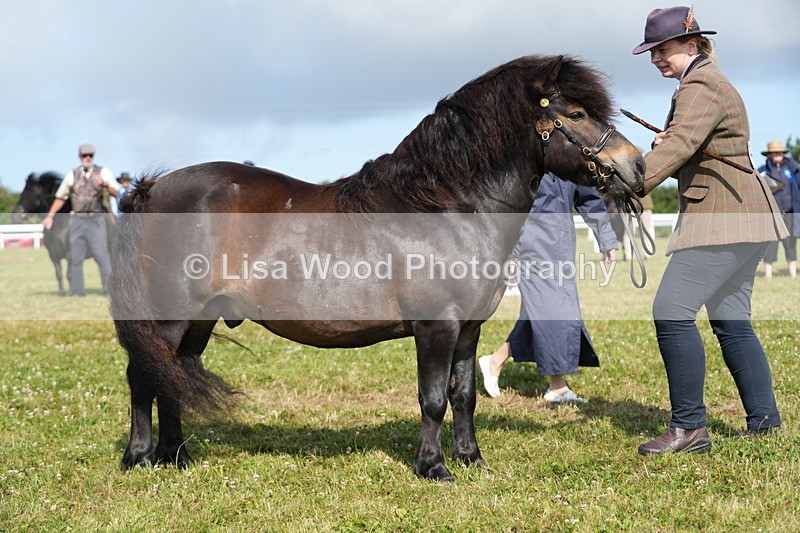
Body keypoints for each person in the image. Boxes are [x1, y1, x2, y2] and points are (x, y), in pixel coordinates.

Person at [631, 6, 788, 455]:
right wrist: (668, 142)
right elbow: (687, 143)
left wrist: (630, 182)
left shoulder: (700, 84)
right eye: (651, 51)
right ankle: (764, 421)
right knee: (732, 322)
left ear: (692, 44)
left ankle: (690, 428)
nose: (656, 58)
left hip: (724, 217)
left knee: (671, 311)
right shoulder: (703, 83)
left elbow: (679, 146)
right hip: (745, 213)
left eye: (663, 48)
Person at [477, 173, 617, 403]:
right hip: (530, 248)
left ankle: (495, 361)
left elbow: (589, 199)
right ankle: (556, 386)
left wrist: (606, 238)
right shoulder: (525, 156)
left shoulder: (570, 157)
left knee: (542, 313)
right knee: (552, 312)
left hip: (561, 248)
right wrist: (509, 252)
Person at [43, 143, 118, 296]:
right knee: (75, 257)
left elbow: (116, 192)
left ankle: (109, 290)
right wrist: (50, 216)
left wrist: (104, 184)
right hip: (76, 220)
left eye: (90, 155)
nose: (88, 157)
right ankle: (77, 291)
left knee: (101, 255)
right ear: (80, 157)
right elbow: (61, 197)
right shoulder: (72, 174)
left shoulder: (103, 172)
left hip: (96, 219)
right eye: (84, 155)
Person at [758, 141, 799, 278]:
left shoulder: (793, 169)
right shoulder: (763, 170)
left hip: (790, 212)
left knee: (791, 242)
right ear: (769, 155)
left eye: (780, 152)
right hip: (772, 214)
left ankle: (792, 273)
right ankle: (768, 274)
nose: (778, 154)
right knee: (770, 243)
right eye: (774, 152)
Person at [622, 193, 655, 261]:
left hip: (644, 204)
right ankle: (628, 256)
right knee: (628, 232)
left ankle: (648, 254)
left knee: (646, 231)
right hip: (630, 205)